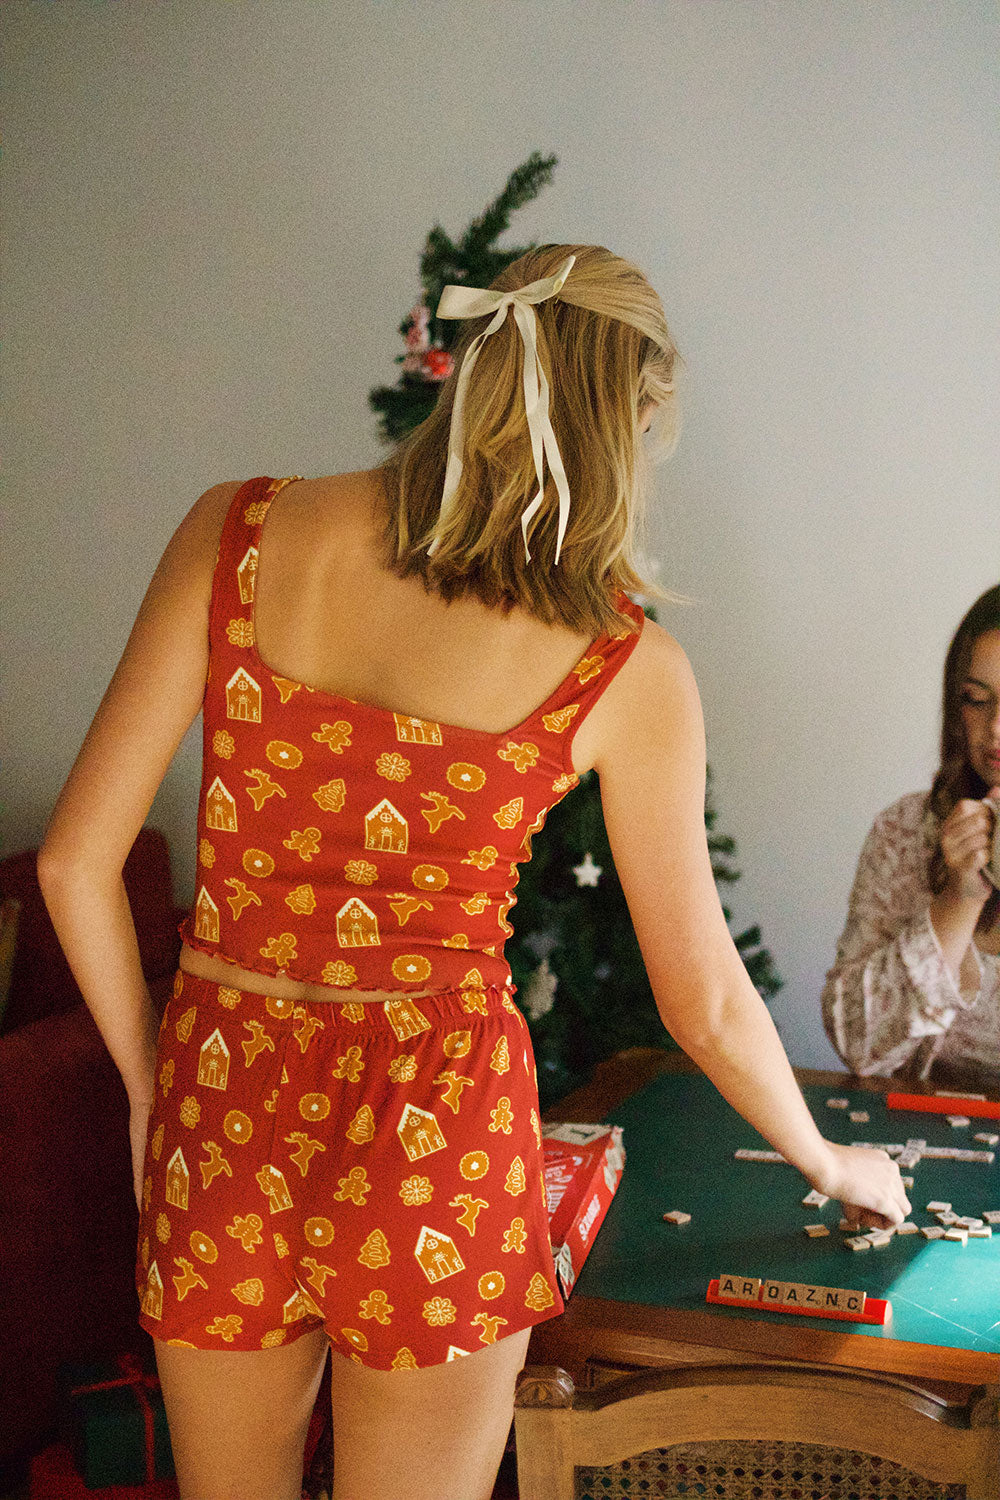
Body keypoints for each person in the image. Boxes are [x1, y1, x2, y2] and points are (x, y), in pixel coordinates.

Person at [37, 243, 909, 1500]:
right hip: (433, 1135)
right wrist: (832, 1166)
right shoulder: (624, 665)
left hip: (224, 1103)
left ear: (467, 365)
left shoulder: (237, 528)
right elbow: (706, 1002)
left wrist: (146, 1089)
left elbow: (75, 864)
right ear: (634, 416)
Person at [822, 584, 1000, 1091]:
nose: (996, 728)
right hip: (921, 1132)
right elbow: (858, 1044)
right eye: (977, 700)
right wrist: (959, 900)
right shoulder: (905, 833)